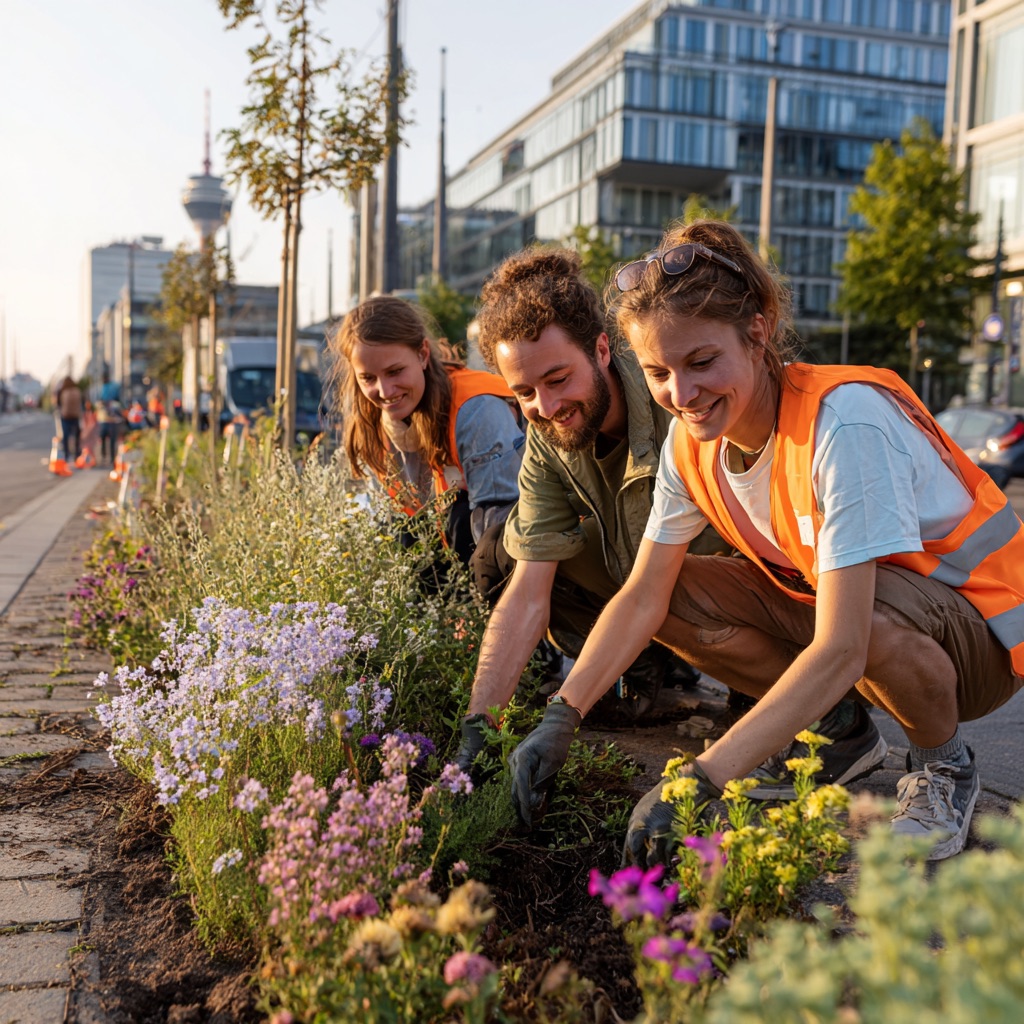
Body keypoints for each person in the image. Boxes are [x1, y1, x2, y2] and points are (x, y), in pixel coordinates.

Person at [508, 219, 1024, 865]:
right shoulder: (689, 440)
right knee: (669, 590)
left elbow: (842, 646)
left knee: (865, 620)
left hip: (980, 640)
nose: (683, 394)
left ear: (757, 332)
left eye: (701, 362)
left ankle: (944, 766)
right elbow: (641, 596)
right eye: (658, 373)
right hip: (866, 619)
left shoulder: (844, 423)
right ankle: (838, 737)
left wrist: (705, 777)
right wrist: (563, 715)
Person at [454, 249, 729, 775]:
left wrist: (565, 709)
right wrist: (479, 727)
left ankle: (702, 666)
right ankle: (637, 666)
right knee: (505, 557)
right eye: (525, 392)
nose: (546, 406)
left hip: (722, 590)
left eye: (558, 380)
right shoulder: (547, 434)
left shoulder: (677, 400)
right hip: (638, 590)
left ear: (602, 349)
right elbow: (528, 595)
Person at [328, 295, 524, 567]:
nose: (385, 392)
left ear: (422, 354)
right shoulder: (373, 421)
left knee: (456, 517)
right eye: (368, 378)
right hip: (433, 567)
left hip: (499, 557)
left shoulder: (476, 410)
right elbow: (386, 522)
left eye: (395, 371)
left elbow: (503, 528)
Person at [56, 376, 83, 461]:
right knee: (77, 435)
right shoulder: (77, 391)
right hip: (75, 416)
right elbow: (82, 402)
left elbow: (58, 403)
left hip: (65, 416)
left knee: (65, 436)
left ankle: (66, 454)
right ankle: (77, 453)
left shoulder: (63, 391)